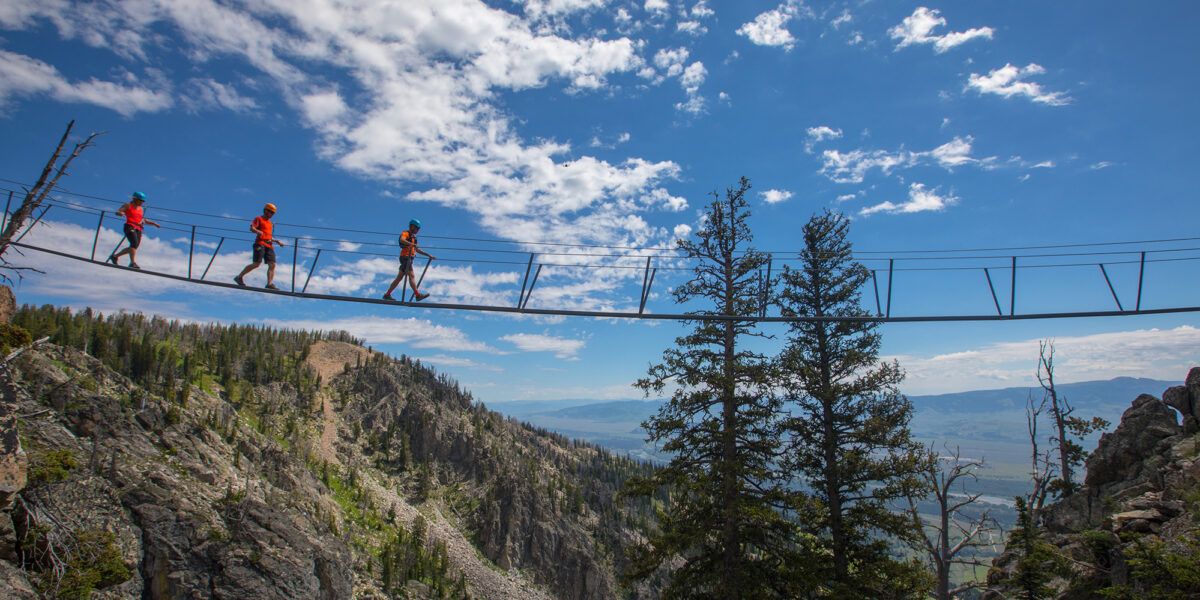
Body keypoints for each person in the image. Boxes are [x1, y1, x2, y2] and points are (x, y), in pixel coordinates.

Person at [233, 203, 286, 290]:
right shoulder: (259, 218)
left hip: (269, 245)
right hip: (260, 243)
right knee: (256, 264)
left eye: (273, 213)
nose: (272, 215)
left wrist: (277, 241)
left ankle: (269, 284)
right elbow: (252, 228)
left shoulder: (270, 223)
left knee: (272, 264)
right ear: (265, 211)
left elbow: (268, 235)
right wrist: (257, 231)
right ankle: (239, 277)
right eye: (271, 212)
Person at [383, 219, 434, 301]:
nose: (417, 230)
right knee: (411, 276)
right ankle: (417, 295)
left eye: (418, 229)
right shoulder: (406, 233)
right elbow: (402, 240)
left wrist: (428, 255)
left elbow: (417, 249)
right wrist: (411, 244)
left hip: (408, 258)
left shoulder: (414, 238)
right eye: (416, 228)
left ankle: (387, 294)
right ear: (412, 226)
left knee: (399, 278)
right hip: (405, 258)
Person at [108, 191, 160, 269]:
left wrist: (154, 224)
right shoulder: (128, 205)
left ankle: (115, 256)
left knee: (134, 247)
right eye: (140, 200)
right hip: (130, 226)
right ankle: (132, 263)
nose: (141, 202)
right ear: (135, 199)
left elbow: (142, 219)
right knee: (134, 244)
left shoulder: (141, 209)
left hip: (138, 229)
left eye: (143, 201)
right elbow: (118, 212)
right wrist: (121, 213)